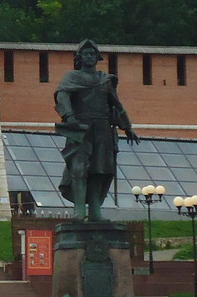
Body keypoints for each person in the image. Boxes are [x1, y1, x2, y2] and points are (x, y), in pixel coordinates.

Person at [54, 39, 139, 221]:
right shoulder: (72, 77)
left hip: (102, 129)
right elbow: (62, 95)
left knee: (99, 170)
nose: (90, 57)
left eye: (93, 54)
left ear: (97, 58)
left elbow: (116, 104)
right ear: (79, 57)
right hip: (81, 128)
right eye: (86, 54)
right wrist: (69, 116)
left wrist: (127, 127)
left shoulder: (104, 79)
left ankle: (95, 211)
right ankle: (79, 211)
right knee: (79, 167)